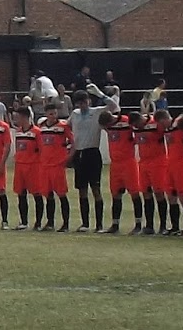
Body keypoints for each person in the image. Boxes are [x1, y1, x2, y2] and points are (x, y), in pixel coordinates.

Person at [68, 88, 116, 232]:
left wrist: (100, 94)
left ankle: (99, 224)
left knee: (95, 189)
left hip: (92, 153)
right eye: (80, 103)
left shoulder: (96, 112)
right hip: (79, 153)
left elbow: (114, 106)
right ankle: (85, 223)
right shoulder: (75, 115)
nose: (82, 105)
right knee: (81, 190)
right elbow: (66, 125)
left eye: (84, 101)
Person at [99, 110, 140, 236]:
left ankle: (138, 224)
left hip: (128, 162)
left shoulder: (126, 121)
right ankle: (115, 224)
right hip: (115, 164)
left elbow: (137, 131)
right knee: (115, 194)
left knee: (134, 193)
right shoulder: (108, 126)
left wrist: (133, 141)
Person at [36, 103, 73, 232]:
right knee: (48, 194)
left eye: (55, 113)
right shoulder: (41, 127)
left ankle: (66, 223)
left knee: (62, 194)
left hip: (57, 165)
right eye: (51, 113)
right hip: (44, 165)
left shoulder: (63, 127)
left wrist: (68, 158)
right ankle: (50, 222)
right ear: (46, 114)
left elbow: (73, 142)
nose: (53, 116)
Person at [8, 105, 43, 230]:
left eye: (18, 117)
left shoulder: (37, 132)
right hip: (20, 166)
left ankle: (38, 222)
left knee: (36, 194)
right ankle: (23, 222)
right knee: (21, 194)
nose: (16, 120)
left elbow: (41, 150)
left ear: (25, 117)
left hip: (33, 166)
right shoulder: (18, 132)